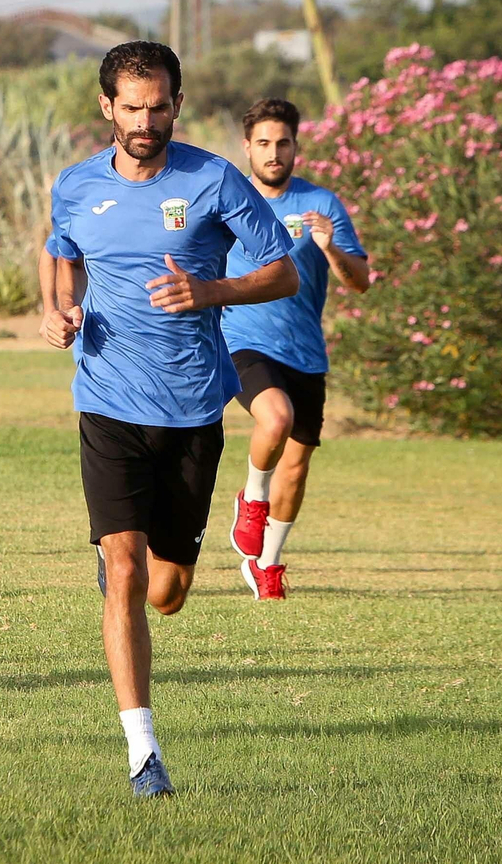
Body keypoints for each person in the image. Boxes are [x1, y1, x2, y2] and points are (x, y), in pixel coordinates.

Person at [40, 41, 298, 797]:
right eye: (131, 107)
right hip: (107, 398)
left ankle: (148, 563)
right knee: (123, 568)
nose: (145, 121)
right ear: (106, 107)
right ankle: (143, 752)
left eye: (158, 107)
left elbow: (281, 269)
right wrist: (58, 311)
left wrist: (209, 294)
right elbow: (63, 254)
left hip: (192, 405)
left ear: (177, 104)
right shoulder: (78, 184)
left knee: (168, 591)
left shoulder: (214, 179)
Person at [222, 98, 370, 600]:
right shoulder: (230, 200)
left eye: (282, 142)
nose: (273, 152)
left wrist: (330, 248)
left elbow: (361, 281)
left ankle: (268, 562)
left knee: (298, 463)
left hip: (305, 351)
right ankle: (251, 499)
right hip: (243, 339)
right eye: (263, 143)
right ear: (247, 147)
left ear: (296, 147)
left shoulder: (322, 205)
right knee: (275, 419)